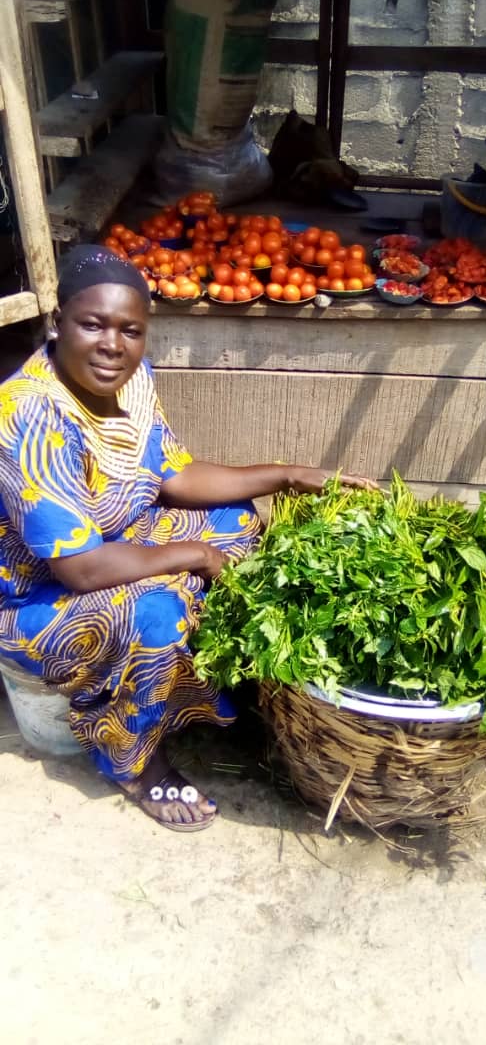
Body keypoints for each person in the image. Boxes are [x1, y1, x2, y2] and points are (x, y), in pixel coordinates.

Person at [0, 246, 377, 832]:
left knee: (237, 521)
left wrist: (290, 473)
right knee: (158, 611)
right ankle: (132, 758)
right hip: (37, 593)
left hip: (118, 538)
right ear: (58, 321)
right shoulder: (28, 416)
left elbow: (175, 475)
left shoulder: (133, 380)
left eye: (130, 330)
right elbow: (81, 568)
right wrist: (195, 556)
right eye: (92, 324)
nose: (112, 345)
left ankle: (202, 687)